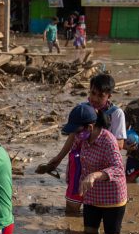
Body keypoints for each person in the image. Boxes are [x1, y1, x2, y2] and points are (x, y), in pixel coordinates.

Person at [36, 74, 126, 214]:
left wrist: (99, 137)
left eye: (100, 95)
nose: (95, 99)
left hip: (101, 162)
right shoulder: (83, 108)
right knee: (73, 202)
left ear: (109, 96)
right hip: (79, 161)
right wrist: (58, 158)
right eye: (92, 93)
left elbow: (119, 144)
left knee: (100, 203)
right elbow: (73, 135)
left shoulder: (116, 113)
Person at [61, 104, 127, 234]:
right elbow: (74, 156)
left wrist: (94, 175)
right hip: (91, 196)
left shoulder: (108, 140)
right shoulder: (81, 138)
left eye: (78, 131)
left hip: (112, 197)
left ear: (90, 127)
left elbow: (118, 169)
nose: (76, 134)